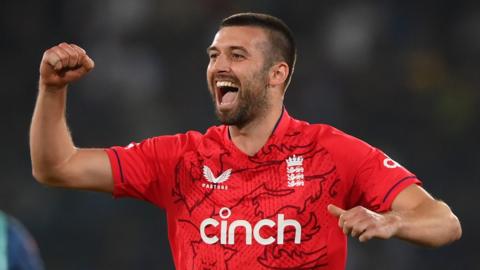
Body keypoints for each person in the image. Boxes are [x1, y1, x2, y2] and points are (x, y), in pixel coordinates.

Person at [30, 12, 461, 270]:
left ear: (278, 74)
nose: (219, 65)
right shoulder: (180, 158)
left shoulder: (332, 152)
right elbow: (57, 167)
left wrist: (393, 222)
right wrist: (52, 91)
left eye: (237, 56)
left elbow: (444, 222)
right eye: (214, 55)